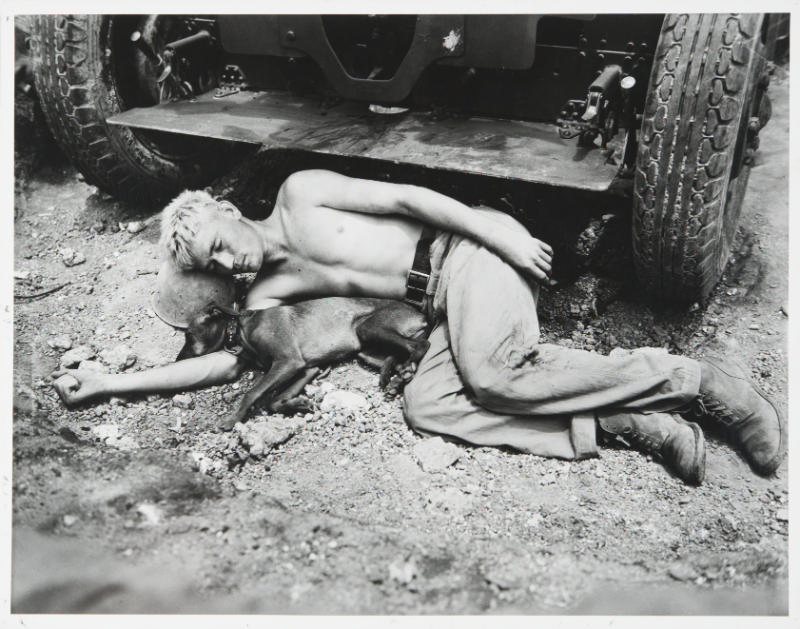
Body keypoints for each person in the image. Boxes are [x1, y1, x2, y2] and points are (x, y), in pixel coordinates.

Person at [54, 169, 785, 485]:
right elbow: (225, 366)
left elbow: (409, 195)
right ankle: (636, 423)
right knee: (428, 403)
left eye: (215, 237)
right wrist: (114, 382)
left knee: (492, 374)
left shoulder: (301, 195)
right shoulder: (273, 292)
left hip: (470, 253)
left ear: (220, 204)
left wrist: (494, 234)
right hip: (436, 314)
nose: (225, 257)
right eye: (212, 262)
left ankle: (696, 382)